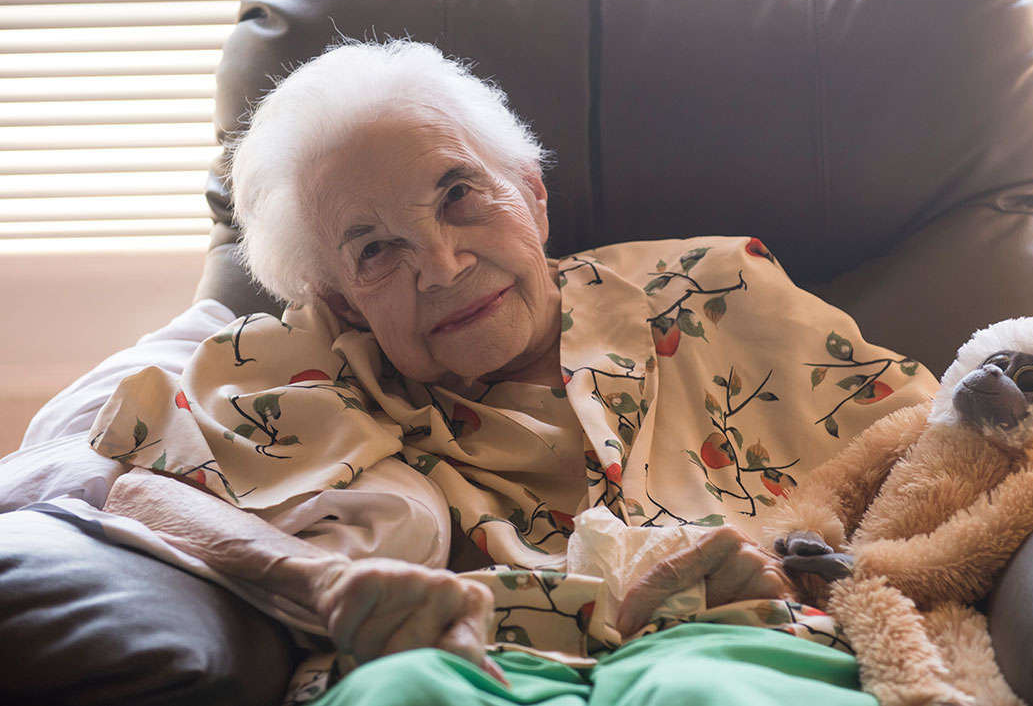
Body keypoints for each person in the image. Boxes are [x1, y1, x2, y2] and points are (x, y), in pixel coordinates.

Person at [89, 39, 938, 705]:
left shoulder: (714, 289)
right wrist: (322, 581)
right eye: (376, 248)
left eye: (458, 194)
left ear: (532, 195)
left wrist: (785, 561)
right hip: (466, 657)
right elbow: (137, 489)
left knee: (698, 688)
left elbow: (939, 457)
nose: (442, 264)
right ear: (342, 299)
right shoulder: (303, 370)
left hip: (735, 638)